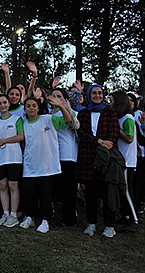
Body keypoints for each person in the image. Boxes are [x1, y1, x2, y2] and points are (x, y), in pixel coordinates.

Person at [20, 96, 73, 233]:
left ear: (38, 107)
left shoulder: (48, 119)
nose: (31, 108)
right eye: (28, 106)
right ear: (24, 109)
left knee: (46, 195)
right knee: (29, 193)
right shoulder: (23, 123)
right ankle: (30, 217)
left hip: (47, 165)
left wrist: (61, 106)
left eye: (33, 105)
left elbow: (68, 120)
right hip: (30, 165)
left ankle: (45, 220)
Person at [76, 84, 120, 238]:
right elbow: (82, 133)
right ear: (89, 95)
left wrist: (105, 143)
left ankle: (109, 225)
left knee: (108, 193)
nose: (97, 96)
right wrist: (99, 141)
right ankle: (91, 223)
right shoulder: (83, 114)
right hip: (88, 157)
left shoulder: (110, 113)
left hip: (105, 158)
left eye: (100, 93)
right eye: (94, 93)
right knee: (90, 194)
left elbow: (113, 134)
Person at [0, 94, 24, 228]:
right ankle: (5, 213)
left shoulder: (17, 119)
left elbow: (21, 136)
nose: (2, 105)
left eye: (4, 103)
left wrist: (5, 140)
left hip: (14, 158)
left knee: (13, 186)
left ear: (8, 104)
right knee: (3, 185)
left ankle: (14, 214)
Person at [51, 88, 80, 228]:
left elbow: (76, 125)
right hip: (55, 155)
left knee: (68, 188)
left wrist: (67, 109)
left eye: (59, 96)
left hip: (67, 155)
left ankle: (69, 219)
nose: (56, 98)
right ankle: (66, 216)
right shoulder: (50, 113)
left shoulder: (71, 112)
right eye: (54, 95)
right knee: (61, 189)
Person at [110, 91, 140, 232]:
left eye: (112, 101)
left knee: (127, 190)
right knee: (122, 191)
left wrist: (117, 128)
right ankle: (126, 216)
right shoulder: (120, 117)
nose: (110, 104)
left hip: (127, 161)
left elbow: (129, 138)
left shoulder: (128, 118)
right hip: (121, 160)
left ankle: (134, 219)